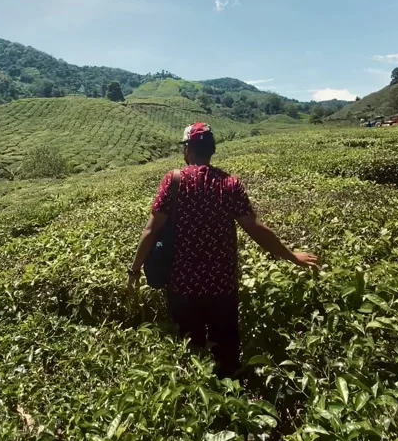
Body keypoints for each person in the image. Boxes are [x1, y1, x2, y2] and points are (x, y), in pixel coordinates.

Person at [127, 122, 317, 378]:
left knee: (191, 355)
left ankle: (197, 392)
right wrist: (292, 256)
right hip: (222, 286)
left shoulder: (174, 181)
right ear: (212, 150)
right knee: (227, 355)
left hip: (183, 285)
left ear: (187, 150)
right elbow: (255, 228)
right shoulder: (230, 184)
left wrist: (134, 271)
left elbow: (151, 231)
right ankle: (232, 391)